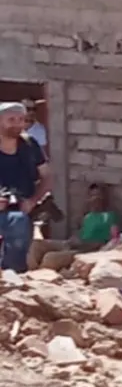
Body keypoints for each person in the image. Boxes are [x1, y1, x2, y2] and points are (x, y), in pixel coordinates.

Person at [0, 101, 51, 272]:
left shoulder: (30, 145)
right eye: (11, 120)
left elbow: (47, 176)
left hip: (22, 210)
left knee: (18, 245)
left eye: (21, 120)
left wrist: (32, 201)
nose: (17, 124)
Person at [77, 183, 119, 250]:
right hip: (82, 249)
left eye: (98, 195)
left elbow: (114, 238)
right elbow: (81, 235)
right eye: (92, 195)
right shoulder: (86, 217)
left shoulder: (109, 216)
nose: (95, 198)